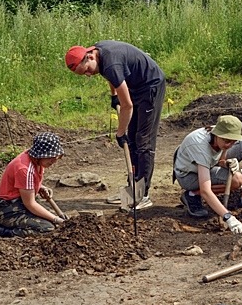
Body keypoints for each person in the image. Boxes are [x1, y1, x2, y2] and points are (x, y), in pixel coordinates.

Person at [64, 40, 166, 210]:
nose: (89, 75)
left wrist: (119, 133)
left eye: (88, 70)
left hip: (151, 86)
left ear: (89, 56)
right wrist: (114, 95)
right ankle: (131, 191)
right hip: (135, 87)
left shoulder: (111, 63)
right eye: (84, 74)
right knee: (132, 140)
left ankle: (143, 195)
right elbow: (113, 77)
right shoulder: (98, 54)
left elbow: (127, 106)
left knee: (143, 141)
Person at [173, 115, 242, 234]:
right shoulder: (200, 145)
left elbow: (219, 159)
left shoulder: (221, 137)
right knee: (236, 181)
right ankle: (192, 194)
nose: (230, 145)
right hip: (189, 175)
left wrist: (228, 163)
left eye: (233, 141)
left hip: (210, 164)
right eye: (227, 141)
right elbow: (205, 190)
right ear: (217, 135)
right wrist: (228, 217)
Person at [0, 132, 66, 237]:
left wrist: (39, 187)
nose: (54, 159)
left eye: (56, 156)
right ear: (39, 155)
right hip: (6, 208)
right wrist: (56, 219)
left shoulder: (36, 161)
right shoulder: (24, 169)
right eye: (50, 156)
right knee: (47, 228)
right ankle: (4, 231)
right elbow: (30, 204)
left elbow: (23, 184)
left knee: (52, 220)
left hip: (19, 202)